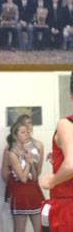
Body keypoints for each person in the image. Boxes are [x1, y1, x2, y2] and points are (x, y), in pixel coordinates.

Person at [41, 71, 73, 232]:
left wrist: (52, 181)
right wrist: (60, 156)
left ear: (71, 96)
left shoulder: (66, 124)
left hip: (67, 205)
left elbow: (71, 165)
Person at [6, 122, 44, 232]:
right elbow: (22, 178)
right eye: (23, 132)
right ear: (15, 136)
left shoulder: (28, 152)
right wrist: (28, 163)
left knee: (39, 228)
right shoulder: (12, 153)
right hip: (20, 193)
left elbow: (35, 177)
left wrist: (31, 163)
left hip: (32, 191)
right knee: (20, 229)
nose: (26, 134)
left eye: (27, 132)